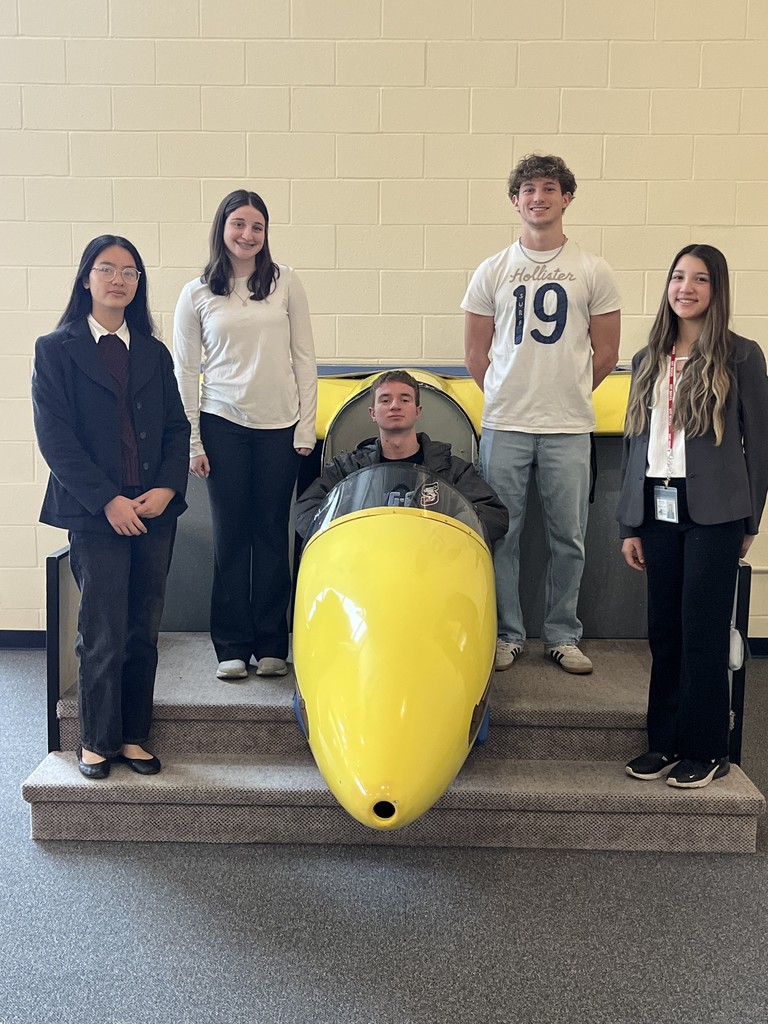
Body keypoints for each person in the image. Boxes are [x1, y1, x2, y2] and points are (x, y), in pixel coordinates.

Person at [31, 235, 190, 780]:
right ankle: (96, 741)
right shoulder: (56, 349)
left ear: (138, 284)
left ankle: (133, 734)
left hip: (153, 509)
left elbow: (176, 426)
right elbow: (56, 439)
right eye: (107, 269)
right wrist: (107, 501)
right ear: (86, 278)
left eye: (129, 272)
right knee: (101, 629)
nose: (118, 280)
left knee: (142, 628)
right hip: (95, 512)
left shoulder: (152, 350)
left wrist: (168, 488)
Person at [462, 153, 621, 675]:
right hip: (505, 424)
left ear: (567, 197)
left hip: (568, 428)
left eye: (549, 188)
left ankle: (562, 633)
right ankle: (507, 633)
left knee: (568, 537)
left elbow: (606, 355)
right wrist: (513, 397)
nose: (538, 198)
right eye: (528, 189)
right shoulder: (492, 269)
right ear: (515, 201)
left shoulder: (593, 269)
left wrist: (564, 394)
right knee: (502, 534)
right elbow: (475, 356)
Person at [617, 243, 768, 789]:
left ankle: (707, 748)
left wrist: (750, 520)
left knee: (702, 629)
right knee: (664, 631)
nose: (686, 288)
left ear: (716, 289)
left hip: (716, 511)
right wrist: (629, 522)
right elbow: (638, 442)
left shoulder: (742, 355)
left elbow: (760, 443)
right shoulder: (647, 359)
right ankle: (664, 742)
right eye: (678, 277)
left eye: (700, 279)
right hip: (657, 506)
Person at [173, 189, 317, 682]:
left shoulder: (284, 282)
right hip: (221, 425)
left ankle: (273, 644)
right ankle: (231, 647)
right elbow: (185, 371)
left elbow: (304, 357)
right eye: (239, 224)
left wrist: (306, 426)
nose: (247, 234)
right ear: (223, 228)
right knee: (232, 536)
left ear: (265, 234)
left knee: (271, 535)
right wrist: (193, 440)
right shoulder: (196, 293)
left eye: (256, 227)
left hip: (280, 427)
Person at [294, 370, 508, 545]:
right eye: (385, 400)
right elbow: (305, 512)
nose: (394, 406)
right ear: (373, 413)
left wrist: (444, 531)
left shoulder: (451, 469)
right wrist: (348, 533)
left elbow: (495, 516)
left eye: (404, 399)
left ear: (417, 411)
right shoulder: (348, 468)